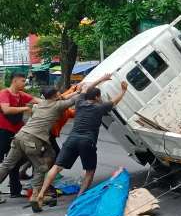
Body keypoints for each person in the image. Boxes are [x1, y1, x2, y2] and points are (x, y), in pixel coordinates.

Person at [38, 74, 128, 202]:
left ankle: (41, 193)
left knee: (57, 166)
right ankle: (79, 197)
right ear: (97, 97)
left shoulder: (79, 101)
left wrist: (101, 79)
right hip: (87, 141)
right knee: (90, 171)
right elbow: (115, 101)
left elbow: (85, 89)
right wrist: (123, 90)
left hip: (72, 139)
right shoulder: (100, 107)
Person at [0, 85, 82, 211]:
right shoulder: (57, 106)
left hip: (20, 136)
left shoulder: (42, 103)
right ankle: (36, 197)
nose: (60, 93)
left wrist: (76, 91)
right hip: (33, 140)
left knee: (6, 165)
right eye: (58, 93)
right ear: (54, 97)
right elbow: (74, 99)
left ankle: (37, 194)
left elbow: (66, 97)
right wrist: (83, 91)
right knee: (40, 167)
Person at [0, 71, 41, 201]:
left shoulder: (22, 95)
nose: (25, 83)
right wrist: (25, 109)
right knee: (3, 162)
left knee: (15, 161)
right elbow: (6, 109)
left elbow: (39, 101)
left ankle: (15, 190)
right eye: (23, 81)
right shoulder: (4, 94)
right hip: (3, 131)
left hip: (17, 133)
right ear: (14, 81)